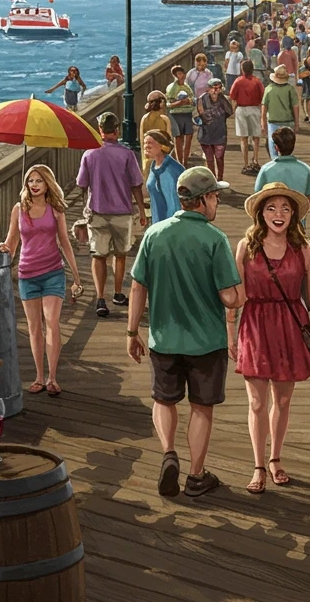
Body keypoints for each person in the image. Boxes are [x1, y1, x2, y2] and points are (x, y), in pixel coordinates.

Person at [127, 166, 241, 498]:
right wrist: (241, 292)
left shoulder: (155, 234)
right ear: (203, 199)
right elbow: (230, 296)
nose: (217, 201)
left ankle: (168, 453)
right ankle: (196, 475)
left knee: (164, 400)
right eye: (215, 196)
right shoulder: (215, 239)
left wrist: (132, 332)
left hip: (163, 338)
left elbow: (137, 288)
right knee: (201, 407)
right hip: (206, 341)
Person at [231, 183, 310, 492]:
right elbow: (235, 294)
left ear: (293, 215)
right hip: (256, 323)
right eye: (272, 208)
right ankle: (258, 465)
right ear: (261, 213)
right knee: (256, 401)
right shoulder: (245, 247)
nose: (279, 214)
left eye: (285, 209)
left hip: (289, 323)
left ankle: (275, 458)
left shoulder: (303, 248)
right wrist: (229, 335)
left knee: (284, 399)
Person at [0, 164, 82, 396]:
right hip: (27, 275)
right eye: (30, 181)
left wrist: (76, 276)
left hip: (53, 272)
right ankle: (39, 377)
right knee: (35, 328)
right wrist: (5, 251)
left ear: (48, 184)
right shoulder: (19, 209)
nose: (34, 185)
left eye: (38, 181)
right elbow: (12, 243)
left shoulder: (55, 209)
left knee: (51, 322)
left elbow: (65, 242)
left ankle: (53, 378)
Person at [77, 112, 146, 319]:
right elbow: (136, 185)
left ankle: (100, 297)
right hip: (122, 212)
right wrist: (141, 210)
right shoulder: (127, 154)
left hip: (97, 211)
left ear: (100, 130)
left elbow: (82, 184)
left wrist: (85, 208)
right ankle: (117, 293)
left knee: (98, 255)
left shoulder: (89, 154)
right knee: (120, 254)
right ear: (117, 130)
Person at [255, 126, 310, 210]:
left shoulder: (266, 169)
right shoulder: (305, 169)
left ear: (276, 147)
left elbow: (257, 199)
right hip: (297, 221)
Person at [230, 59, 266, 176]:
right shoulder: (257, 81)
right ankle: (255, 160)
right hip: (254, 109)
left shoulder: (238, 81)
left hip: (241, 109)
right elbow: (262, 96)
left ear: (242, 69)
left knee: (243, 138)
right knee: (256, 137)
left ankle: (245, 163)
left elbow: (232, 96)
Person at [196, 78, 234, 181]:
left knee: (219, 157)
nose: (216, 90)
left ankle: (220, 178)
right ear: (209, 89)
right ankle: (212, 179)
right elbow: (201, 114)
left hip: (220, 133)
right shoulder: (202, 99)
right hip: (206, 133)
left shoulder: (223, 99)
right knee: (209, 159)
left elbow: (229, 112)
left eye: (219, 88)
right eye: (214, 88)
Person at [144, 130, 185, 225]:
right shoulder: (155, 166)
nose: (146, 146)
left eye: (150, 143)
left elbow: (174, 206)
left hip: (170, 227)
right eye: (145, 143)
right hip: (158, 224)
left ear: (162, 146)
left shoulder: (170, 170)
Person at [262, 65, 301, 160]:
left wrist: (263, 123)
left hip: (273, 121)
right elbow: (295, 107)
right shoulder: (290, 89)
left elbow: (264, 107)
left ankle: (274, 164)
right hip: (288, 120)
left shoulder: (269, 89)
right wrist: (297, 123)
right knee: (287, 146)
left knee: (273, 146)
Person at [166, 66, 197, 166]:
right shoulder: (172, 88)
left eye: (182, 73)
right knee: (178, 139)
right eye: (179, 74)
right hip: (176, 115)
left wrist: (189, 101)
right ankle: (180, 163)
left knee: (189, 137)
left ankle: (185, 162)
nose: (182, 76)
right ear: (175, 76)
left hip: (187, 114)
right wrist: (181, 102)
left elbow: (193, 99)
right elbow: (169, 104)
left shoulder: (187, 87)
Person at [140, 91, 173, 176]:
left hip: (148, 158)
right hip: (161, 159)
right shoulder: (164, 119)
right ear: (161, 103)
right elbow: (169, 143)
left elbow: (142, 141)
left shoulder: (144, 118)